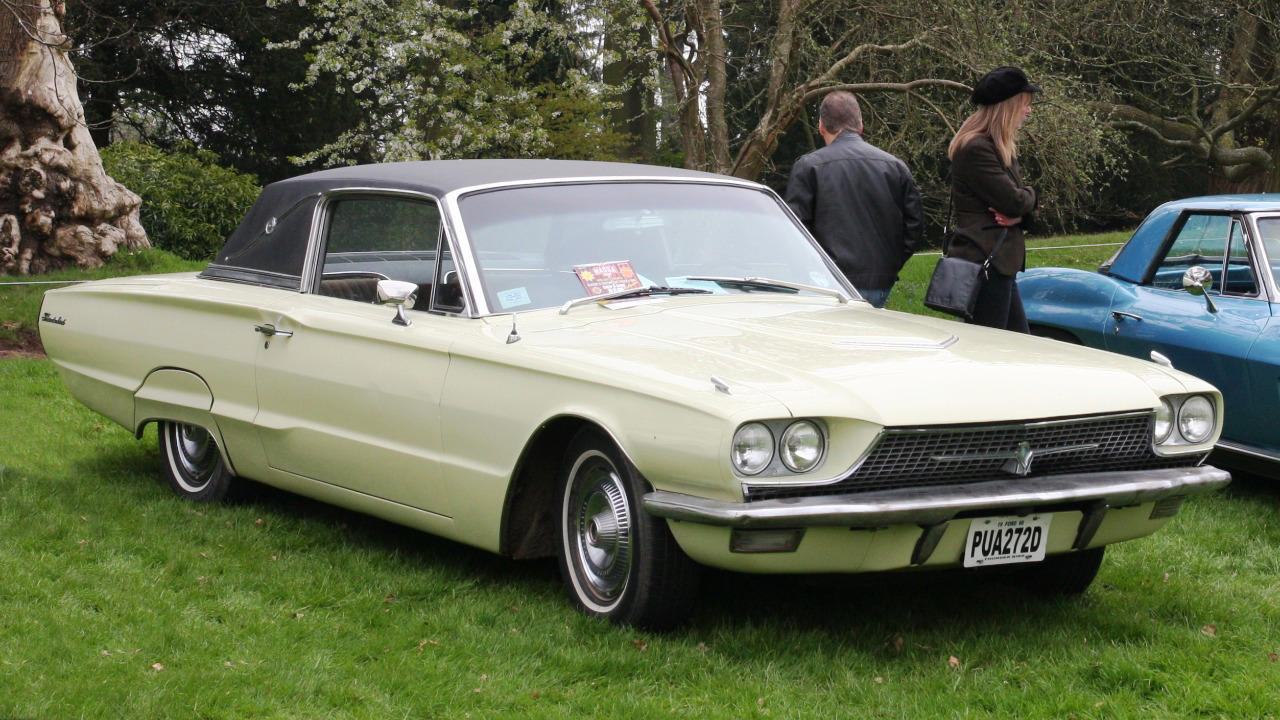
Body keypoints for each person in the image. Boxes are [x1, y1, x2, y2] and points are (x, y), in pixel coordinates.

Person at [785, 91, 923, 308]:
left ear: (821, 126)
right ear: (860, 125)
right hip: (879, 281)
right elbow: (913, 227)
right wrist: (890, 265)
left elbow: (796, 230)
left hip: (827, 282)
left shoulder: (809, 167)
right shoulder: (895, 166)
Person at [946, 66, 1039, 332]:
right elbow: (1014, 200)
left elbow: (1017, 205)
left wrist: (1022, 213)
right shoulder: (976, 149)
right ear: (1008, 106)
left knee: (1016, 347)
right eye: (1025, 104)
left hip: (999, 264)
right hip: (985, 264)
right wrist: (1031, 198)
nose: (1028, 110)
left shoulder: (998, 146)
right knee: (992, 351)